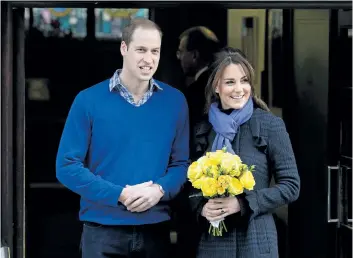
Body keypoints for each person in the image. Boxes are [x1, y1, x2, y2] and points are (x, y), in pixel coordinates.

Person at [56, 18, 190, 258]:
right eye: (141, 50)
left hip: (156, 230)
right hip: (102, 233)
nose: (148, 59)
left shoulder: (175, 102)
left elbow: (181, 165)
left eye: (155, 51)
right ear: (124, 48)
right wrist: (119, 195)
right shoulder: (88, 100)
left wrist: (159, 189)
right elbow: (66, 167)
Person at [189, 47, 301, 258]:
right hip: (213, 245)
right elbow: (188, 186)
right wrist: (201, 207)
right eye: (230, 82)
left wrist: (242, 203)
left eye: (244, 81)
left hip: (257, 241)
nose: (239, 89)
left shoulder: (270, 125)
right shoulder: (202, 130)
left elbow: (291, 186)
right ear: (216, 86)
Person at [171, 26, 221, 258]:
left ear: (195, 54)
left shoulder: (197, 93)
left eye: (182, 51)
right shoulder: (220, 85)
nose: (178, 56)